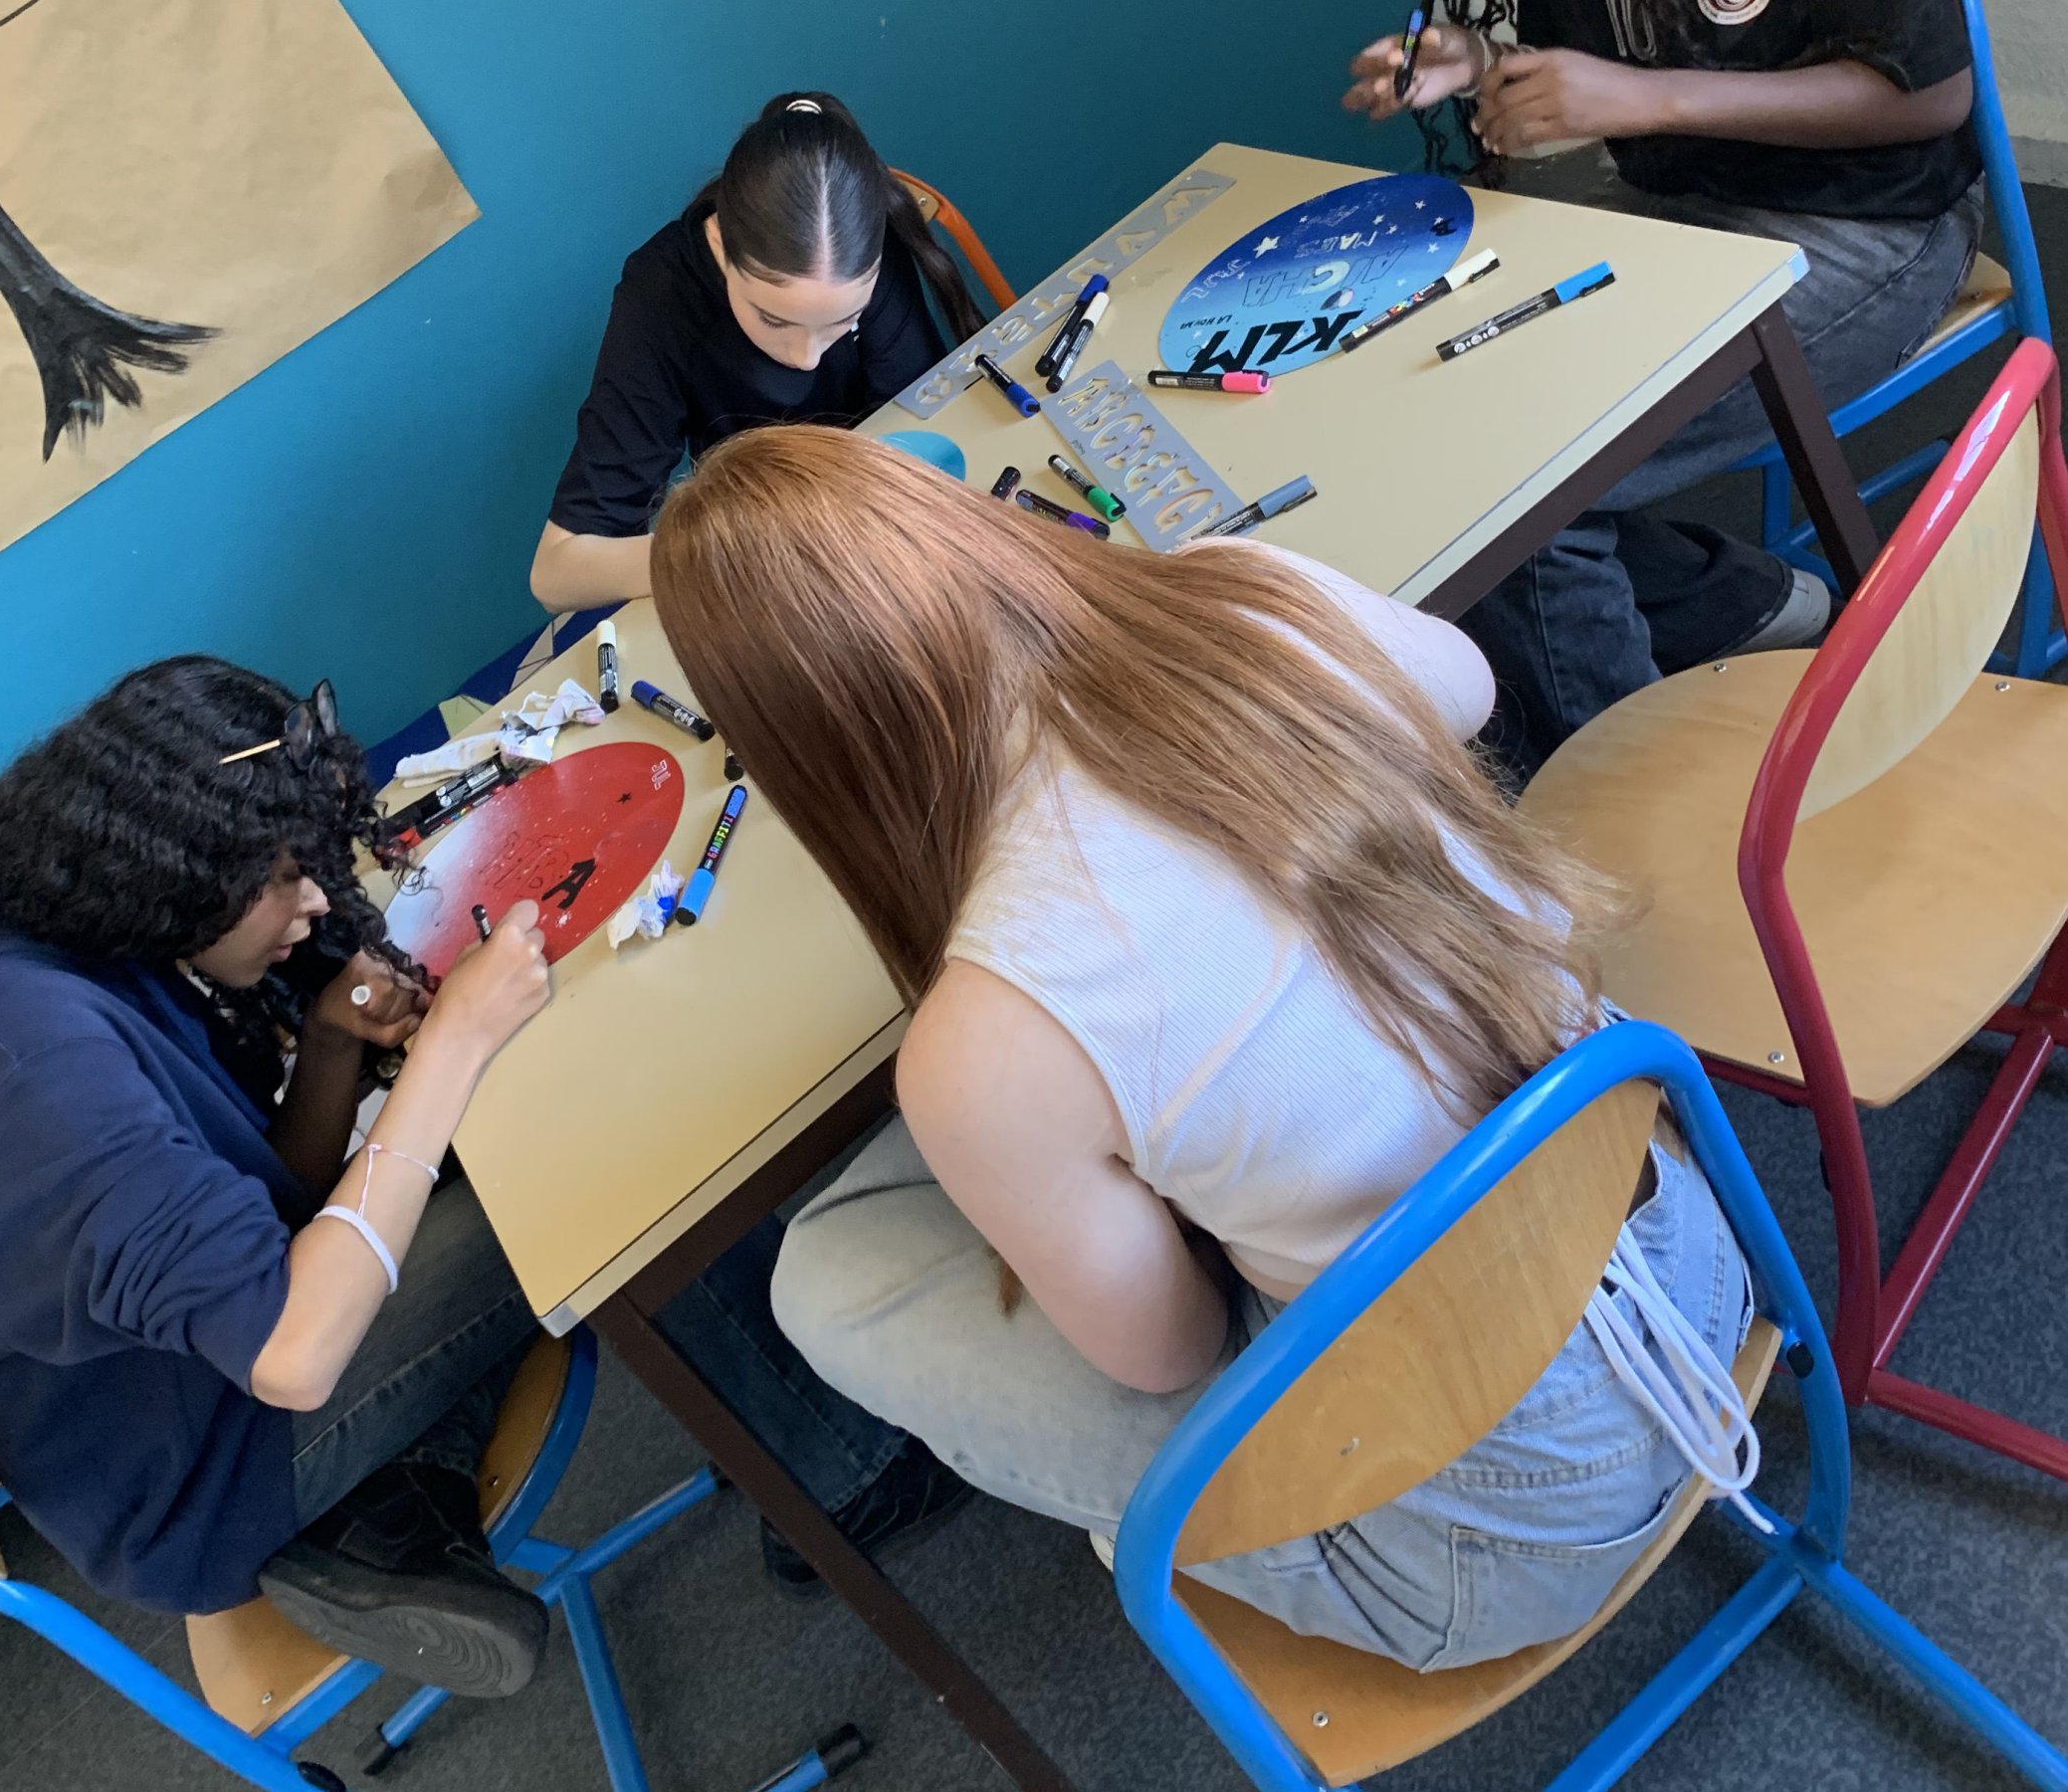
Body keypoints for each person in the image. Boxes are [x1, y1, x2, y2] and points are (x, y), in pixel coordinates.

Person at [645, 428, 1758, 1668]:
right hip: (1694, 1254)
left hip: (1506, 1528)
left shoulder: (983, 1042)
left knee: (826, 1283)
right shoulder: (1247, 592)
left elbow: (1167, 1354)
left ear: (798, 751)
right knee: (1020, 1159)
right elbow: (1467, 688)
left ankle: (1225, 1499)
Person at [0, 661, 959, 1684]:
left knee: (495, 1139)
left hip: (193, 1383)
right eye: (280, 878)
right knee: (578, 1170)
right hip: (216, 1466)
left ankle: (404, 1503)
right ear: (171, 863)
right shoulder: (30, 1074)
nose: (316, 901)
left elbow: (261, 1212)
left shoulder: (54, 950)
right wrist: (453, 1043)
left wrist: (329, 1049)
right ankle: (850, 1473)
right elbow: (293, 1347)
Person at [1344, 0, 1981, 772]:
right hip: (1688, 217)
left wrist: (1644, 101)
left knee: (1518, 503)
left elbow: (1930, 94)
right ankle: (1741, 608)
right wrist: (1474, 57)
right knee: (1456, 428)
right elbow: (1601, 43)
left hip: (1876, 224)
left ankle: (1635, 804)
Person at [531, 91, 982, 614]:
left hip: (871, 531)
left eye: (844, 322)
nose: (806, 358)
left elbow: (924, 421)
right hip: (761, 547)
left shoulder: (863, 243)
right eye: (773, 319)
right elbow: (556, 573)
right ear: (721, 247)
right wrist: (739, 548)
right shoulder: (661, 298)